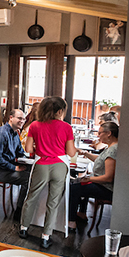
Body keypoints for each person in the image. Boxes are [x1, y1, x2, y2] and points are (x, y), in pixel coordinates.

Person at [19, 97, 78, 248]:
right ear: (60, 111)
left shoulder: (35, 125)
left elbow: (28, 149)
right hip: (59, 166)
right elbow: (71, 153)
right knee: (53, 202)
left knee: (31, 196)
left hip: (41, 165)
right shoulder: (66, 127)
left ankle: (23, 229)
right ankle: (46, 236)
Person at [68, 121, 119, 232]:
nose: (98, 135)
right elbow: (100, 160)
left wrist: (89, 178)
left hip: (106, 188)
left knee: (74, 188)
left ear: (109, 133)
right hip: (103, 185)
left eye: (100, 133)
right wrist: (85, 153)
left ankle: (71, 222)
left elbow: (108, 177)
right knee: (79, 182)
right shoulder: (111, 147)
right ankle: (81, 213)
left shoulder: (113, 150)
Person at [0, 109, 29, 215]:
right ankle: (19, 212)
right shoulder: (2, 134)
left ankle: (25, 208)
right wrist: (14, 168)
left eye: (24, 119)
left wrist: (31, 155)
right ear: (11, 118)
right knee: (27, 179)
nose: (22, 121)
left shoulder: (15, 133)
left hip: (3, 167)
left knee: (31, 171)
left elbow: (19, 152)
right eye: (19, 118)